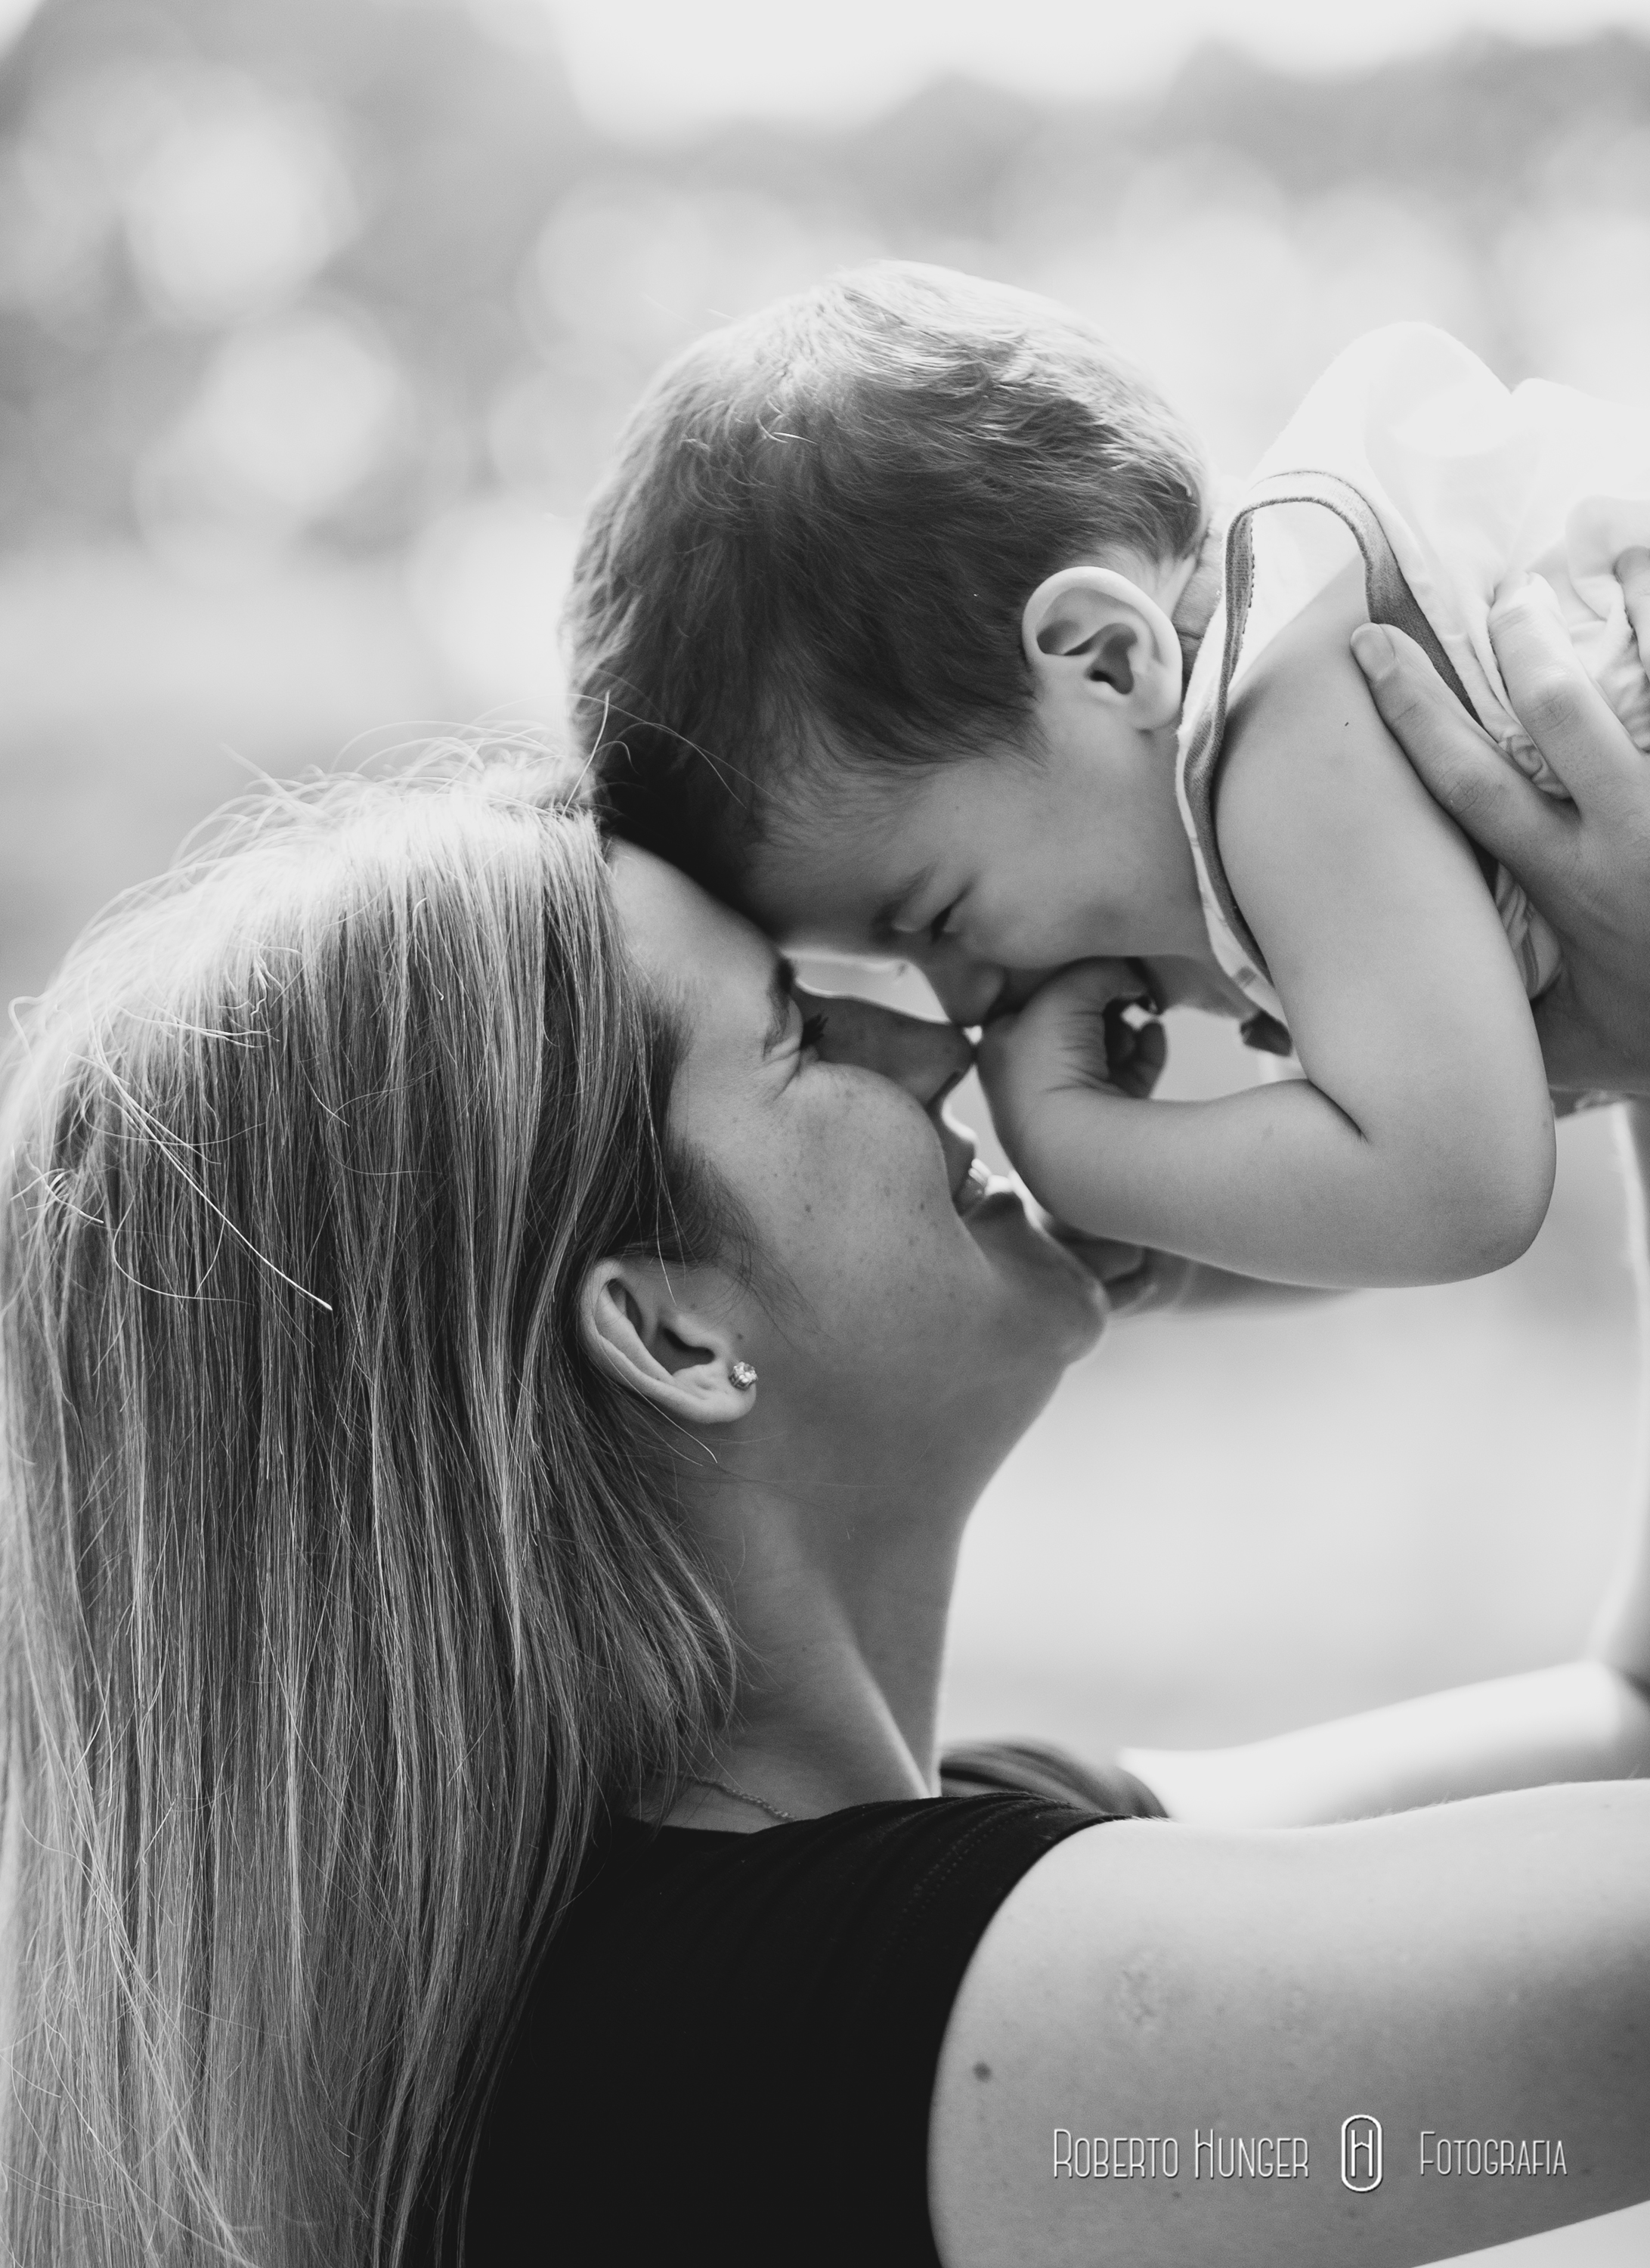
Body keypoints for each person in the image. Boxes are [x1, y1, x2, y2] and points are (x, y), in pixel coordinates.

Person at [2, 752, 1648, 2268]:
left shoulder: (712, 1984)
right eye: (799, 1033)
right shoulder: (818, 2032)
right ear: (670, 1334)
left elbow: (1630, 1721)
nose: (937, 1048)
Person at [565, 265, 1650, 1294]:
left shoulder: (1281, 725)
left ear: (1107, 661)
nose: (968, 1002)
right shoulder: (1319, 676)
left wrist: (1073, 1148)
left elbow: (1459, 1191)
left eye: (940, 919)